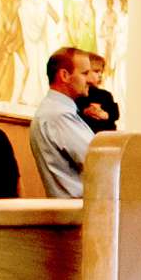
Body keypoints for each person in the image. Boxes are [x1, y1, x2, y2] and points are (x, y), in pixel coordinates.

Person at [29, 46, 93, 198]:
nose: (90, 80)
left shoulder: (56, 111)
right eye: (84, 73)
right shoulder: (58, 115)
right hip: (77, 214)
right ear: (65, 75)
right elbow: (98, 160)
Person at [77, 50, 118, 131]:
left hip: (107, 136)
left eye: (101, 72)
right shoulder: (77, 94)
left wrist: (105, 114)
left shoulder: (105, 95)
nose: (100, 75)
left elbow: (115, 114)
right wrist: (86, 111)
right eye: (96, 71)